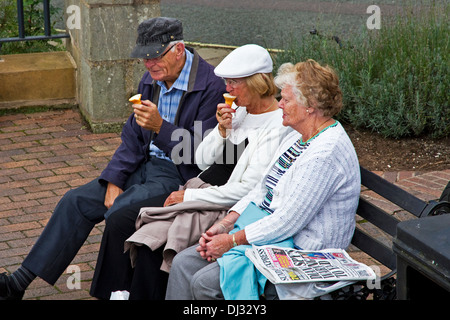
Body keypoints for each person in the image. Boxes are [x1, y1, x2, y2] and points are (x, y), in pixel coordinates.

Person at [0, 17, 225, 300]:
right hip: (143, 165)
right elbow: (132, 136)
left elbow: (203, 154)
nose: (148, 64)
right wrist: (115, 179)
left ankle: (114, 294)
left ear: (178, 49)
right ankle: (18, 283)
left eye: (154, 56)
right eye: (143, 57)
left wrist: (160, 127)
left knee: (120, 211)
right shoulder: (152, 79)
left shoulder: (213, 86)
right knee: (76, 200)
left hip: (179, 175)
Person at [89, 44, 291, 299]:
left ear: (256, 83)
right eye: (226, 82)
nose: (226, 89)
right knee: (126, 222)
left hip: (221, 205)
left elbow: (246, 190)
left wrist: (189, 198)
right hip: (200, 189)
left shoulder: (275, 126)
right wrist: (221, 131)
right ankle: (117, 293)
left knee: (152, 244)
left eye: (233, 83)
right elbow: (204, 161)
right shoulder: (240, 112)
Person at [165, 59, 361, 300]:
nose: (279, 105)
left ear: (309, 106)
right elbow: (262, 188)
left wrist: (232, 240)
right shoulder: (297, 137)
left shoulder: (325, 154)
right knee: (184, 262)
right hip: (269, 234)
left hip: (303, 251)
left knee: (206, 284)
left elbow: (287, 221)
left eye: (286, 100)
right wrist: (226, 224)